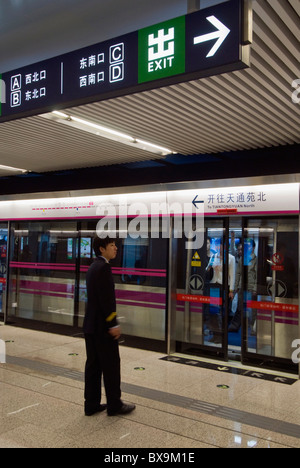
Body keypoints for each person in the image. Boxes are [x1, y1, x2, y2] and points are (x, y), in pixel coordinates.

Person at [83, 236, 136, 417]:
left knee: (93, 366)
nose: (115, 248)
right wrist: (113, 323)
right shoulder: (104, 268)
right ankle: (114, 405)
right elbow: (107, 300)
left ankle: (91, 404)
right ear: (101, 249)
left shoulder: (92, 267)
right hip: (103, 328)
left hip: (90, 326)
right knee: (111, 366)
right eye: (111, 245)